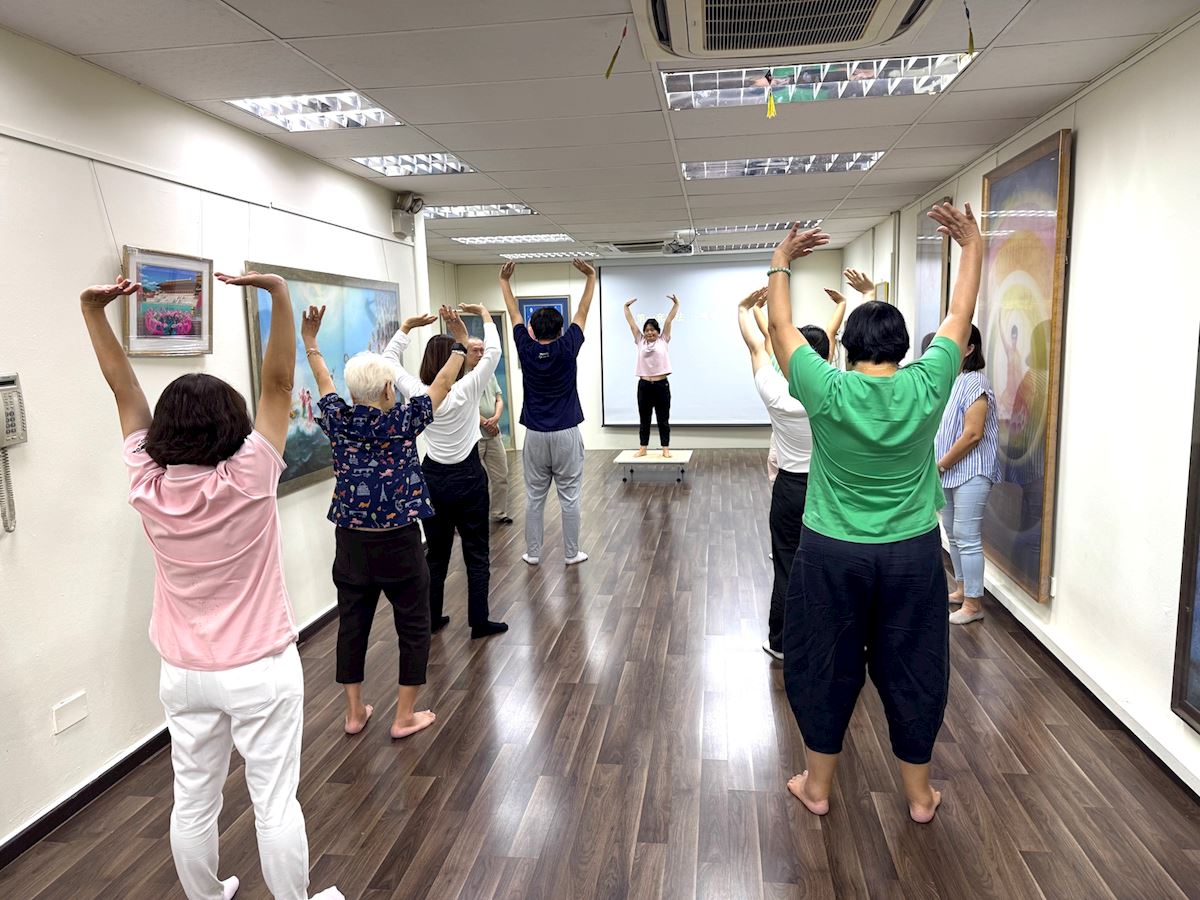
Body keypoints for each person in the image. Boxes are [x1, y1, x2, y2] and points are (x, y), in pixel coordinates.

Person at [82, 272, 342, 900]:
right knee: (274, 802)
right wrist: (278, 295)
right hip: (259, 668)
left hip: (184, 672)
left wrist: (92, 312)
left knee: (193, 799)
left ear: (163, 433)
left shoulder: (148, 484)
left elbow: (124, 392)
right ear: (233, 425)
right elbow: (278, 385)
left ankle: (206, 896)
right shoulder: (249, 476)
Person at [767, 202, 982, 825]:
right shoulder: (927, 384)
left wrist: (781, 261)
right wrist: (971, 247)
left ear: (847, 346)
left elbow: (781, 328)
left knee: (824, 663)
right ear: (904, 347)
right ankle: (919, 797)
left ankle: (817, 787)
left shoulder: (826, 387)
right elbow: (959, 316)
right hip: (912, 554)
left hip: (831, 552)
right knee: (913, 665)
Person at [303, 305, 463, 742]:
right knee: (413, 625)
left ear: (355, 392)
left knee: (352, 625)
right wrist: (460, 344)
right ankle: (404, 716)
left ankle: (355, 713)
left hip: (351, 543)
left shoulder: (338, 419)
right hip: (399, 543)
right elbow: (441, 384)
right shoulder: (404, 421)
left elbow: (323, 381)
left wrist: (311, 341)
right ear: (390, 389)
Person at [384, 306, 508, 639]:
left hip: (434, 480)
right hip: (469, 478)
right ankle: (479, 622)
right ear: (457, 360)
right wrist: (484, 315)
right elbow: (493, 352)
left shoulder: (417, 393)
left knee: (436, 555)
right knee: (476, 553)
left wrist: (406, 327)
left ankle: (432, 618)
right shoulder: (468, 388)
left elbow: (389, 361)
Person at [737, 287, 838, 661]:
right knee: (832, 567)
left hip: (791, 488)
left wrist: (743, 309)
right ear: (827, 355)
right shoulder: (839, 389)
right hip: (830, 489)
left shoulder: (777, 391)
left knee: (786, 565)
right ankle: (831, 641)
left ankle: (780, 642)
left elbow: (756, 347)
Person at [498, 258, 596, 566]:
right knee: (570, 497)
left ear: (532, 329)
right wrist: (590, 277)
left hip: (536, 435)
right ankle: (571, 553)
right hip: (566, 432)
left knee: (534, 497)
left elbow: (513, 313)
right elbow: (582, 311)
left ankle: (533, 553)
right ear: (560, 329)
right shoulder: (568, 346)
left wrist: (504, 282)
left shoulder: (526, 348)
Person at [935, 324, 1001, 625]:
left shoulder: (976, 382)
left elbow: (973, 434)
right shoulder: (953, 380)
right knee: (952, 532)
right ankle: (963, 590)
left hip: (971, 470)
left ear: (970, 348)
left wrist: (941, 464)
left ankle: (974, 604)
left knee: (967, 535)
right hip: (950, 469)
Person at [623, 293, 679, 458]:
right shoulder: (640, 341)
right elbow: (632, 324)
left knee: (663, 419)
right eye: (647, 330)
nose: (649, 333)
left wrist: (676, 305)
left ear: (658, 331)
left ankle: (665, 448)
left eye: (652, 330)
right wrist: (626, 308)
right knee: (644, 419)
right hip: (644, 386)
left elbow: (668, 321)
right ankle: (643, 448)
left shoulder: (663, 340)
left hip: (661, 385)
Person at [470, 337, 513, 524]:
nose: (480, 354)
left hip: (493, 434)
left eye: (482, 350)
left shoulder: (489, 374)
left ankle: (499, 513)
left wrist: (495, 418)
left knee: (501, 475)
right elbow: (465, 406)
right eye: (475, 350)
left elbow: (499, 398)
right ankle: (473, 515)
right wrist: (484, 422)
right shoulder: (462, 377)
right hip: (474, 437)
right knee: (474, 480)